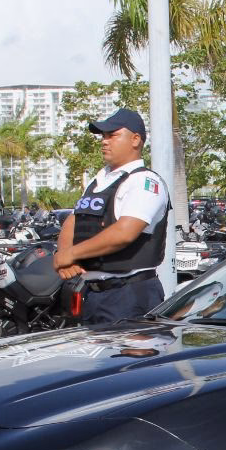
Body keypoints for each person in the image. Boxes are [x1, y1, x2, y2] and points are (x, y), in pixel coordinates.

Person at [52, 108, 169, 325]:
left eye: (112, 135)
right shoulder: (98, 181)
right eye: (103, 136)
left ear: (135, 140)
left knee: (131, 349)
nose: (105, 141)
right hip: (93, 294)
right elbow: (74, 220)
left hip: (130, 294)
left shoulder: (144, 182)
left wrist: (71, 254)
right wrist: (64, 256)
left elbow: (124, 233)